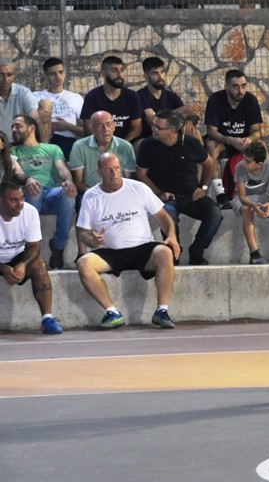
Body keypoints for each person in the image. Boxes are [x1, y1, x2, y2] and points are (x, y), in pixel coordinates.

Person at [76, 152, 180, 330]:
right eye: (108, 170)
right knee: (84, 263)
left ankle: (162, 310)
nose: (114, 173)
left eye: (117, 168)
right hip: (110, 252)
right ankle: (112, 312)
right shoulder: (91, 196)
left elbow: (163, 216)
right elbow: (83, 232)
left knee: (164, 252)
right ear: (99, 172)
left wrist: (172, 235)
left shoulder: (138, 188)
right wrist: (91, 240)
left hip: (142, 248)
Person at [136, 110, 221, 266]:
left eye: (158, 127)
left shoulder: (190, 143)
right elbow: (141, 174)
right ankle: (174, 252)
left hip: (191, 195)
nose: (153, 129)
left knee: (215, 213)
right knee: (168, 216)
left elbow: (209, 164)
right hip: (165, 198)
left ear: (173, 130)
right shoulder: (148, 145)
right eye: (153, 125)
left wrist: (203, 187)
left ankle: (197, 251)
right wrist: (159, 193)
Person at [10, 114, 76, 269]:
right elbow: (17, 172)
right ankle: (31, 248)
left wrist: (69, 181)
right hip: (28, 194)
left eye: (18, 126)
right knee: (35, 189)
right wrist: (28, 179)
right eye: (12, 127)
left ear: (31, 128)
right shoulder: (13, 150)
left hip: (51, 194)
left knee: (67, 193)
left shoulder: (52, 148)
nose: (14, 130)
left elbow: (62, 169)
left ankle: (58, 246)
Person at [0, 181, 63, 334]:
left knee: (39, 265)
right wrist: (2, 268)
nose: (20, 204)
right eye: (13, 200)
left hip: (17, 256)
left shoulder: (29, 211)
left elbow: (34, 246)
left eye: (22, 198)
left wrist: (23, 264)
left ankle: (47, 319)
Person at [204, 69, 263, 204]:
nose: (240, 91)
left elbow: (257, 131)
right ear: (226, 87)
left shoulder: (251, 100)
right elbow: (211, 131)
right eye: (235, 86)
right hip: (223, 141)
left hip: (243, 142)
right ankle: (220, 195)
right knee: (211, 145)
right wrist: (229, 140)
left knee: (262, 145)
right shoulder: (215, 99)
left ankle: (266, 188)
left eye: (243, 86)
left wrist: (250, 139)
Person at [233, 142, 269, 265]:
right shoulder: (240, 167)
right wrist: (254, 206)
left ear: (259, 164)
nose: (243, 162)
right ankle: (254, 253)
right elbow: (242, 196)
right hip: (244, 198)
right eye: (243, 159)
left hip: (263, 196)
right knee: (247, 210)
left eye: (248, 161)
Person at [136, 56, 204, 146]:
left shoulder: (170, 95)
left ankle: (203, 155)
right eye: (155, 73)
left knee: (195, 132)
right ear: (146, 76)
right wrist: (181, 110)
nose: (160, 76)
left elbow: (189, 114)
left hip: (171, 134)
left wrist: (189, 122)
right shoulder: (140, 96)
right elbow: (152, 119)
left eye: (162, 72)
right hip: (150, 136)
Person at [80, 56, 143, 143]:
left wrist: (121, 144)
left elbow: (136, 129)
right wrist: (105, 145)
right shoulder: (93, 96)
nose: (120, 75)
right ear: (103, 73)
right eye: (114, 70)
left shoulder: (132, 96)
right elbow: (88, 129)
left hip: (126, 143)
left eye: (121, 70)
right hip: (100, 143)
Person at [34, 57, 85, 160]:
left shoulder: (76, 98)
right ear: (46, 75)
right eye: (53, 74)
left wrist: (68, 127)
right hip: (44, 139)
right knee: (45, 103)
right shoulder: (36, 96)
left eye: (60, 72)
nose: (58, 76)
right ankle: (46, 148)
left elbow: (87, 132)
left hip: (68, 141)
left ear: (65, 72)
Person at [0, 57, 42, 139]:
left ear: (14, 76)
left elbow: (34, 115)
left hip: (19, 142)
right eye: (1, 75)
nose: (6, 79)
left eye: (9, 75)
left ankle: (44, 144)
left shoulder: (23, 92)